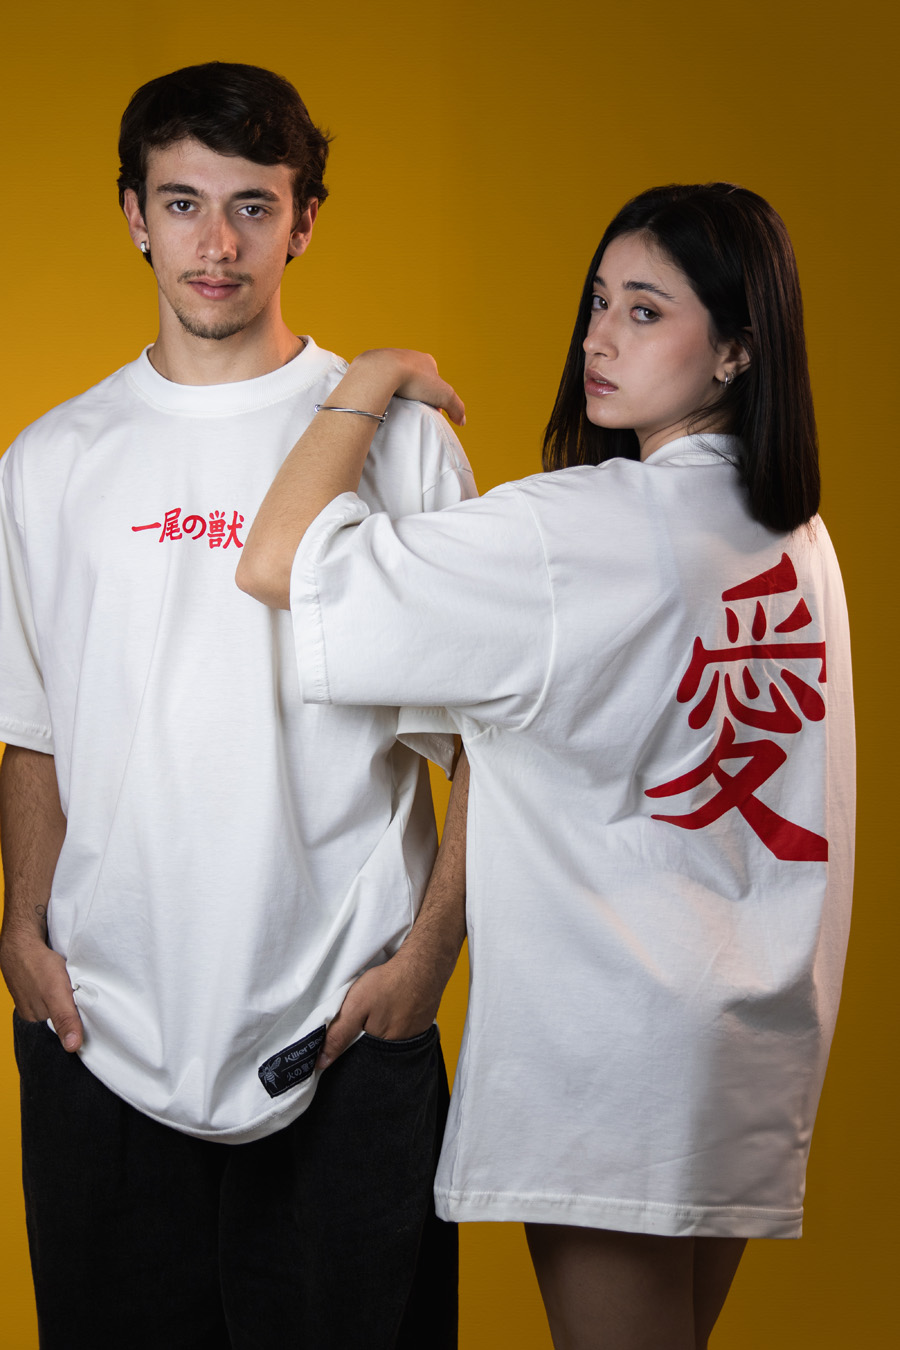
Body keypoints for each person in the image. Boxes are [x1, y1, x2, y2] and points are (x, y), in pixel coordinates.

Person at [236, 183, 855, 1349]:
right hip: (750, 1031)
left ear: (736, 349)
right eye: (598, 302)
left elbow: (278, 565)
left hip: (613, 1046)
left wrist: (367, 380)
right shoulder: (794, 535)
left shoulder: (574, 531)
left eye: (645, 311)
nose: (598, 339)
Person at [0, 61, 476, 1349]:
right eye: (183, 203)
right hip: (98, 1032)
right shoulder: (49, 461)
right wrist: (23, 931)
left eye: (253, 207)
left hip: (343, 1030)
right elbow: (34, 729)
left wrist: (428, 961)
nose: (216, 244)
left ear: (304, 221)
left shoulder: (402, 444)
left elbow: (489, 747)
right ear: (132, 214)